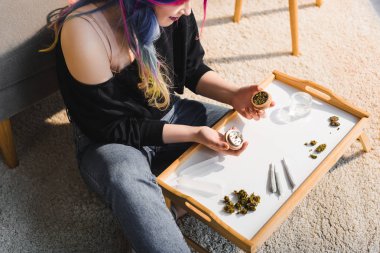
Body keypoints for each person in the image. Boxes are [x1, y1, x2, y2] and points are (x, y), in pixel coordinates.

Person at [43, 0, 274, 252]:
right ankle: (166, 203)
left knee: (249, 136)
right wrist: (195, 134)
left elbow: (191, 67)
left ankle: (166, 207)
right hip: (113, 141)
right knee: (124, 177)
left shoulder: (174, 9)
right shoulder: (84, 31)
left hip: (170, 113)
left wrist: (234, 94)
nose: (187, 10)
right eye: (180, 3)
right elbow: (111, 127)